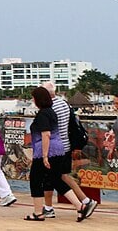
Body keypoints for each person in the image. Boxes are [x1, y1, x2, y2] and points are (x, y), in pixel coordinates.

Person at [25, 86, 87, 221]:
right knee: (56, 180)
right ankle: (80, 206)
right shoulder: (51, 112)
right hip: (59, 149)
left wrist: (45, 156)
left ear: (38, 100)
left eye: (33, 98)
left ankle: (38, 212)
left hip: (46, 151)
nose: (32, 100)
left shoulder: (43, 114)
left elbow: (46, 134)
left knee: (35, 180)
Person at [41, 81, 97, 220]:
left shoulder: (49, 109)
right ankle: (85, 200)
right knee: (64, 175)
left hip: (54, 148)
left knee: (50, 178)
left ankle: (54, 207)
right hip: (66, 145)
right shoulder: (64, 104)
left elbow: (47, 132)